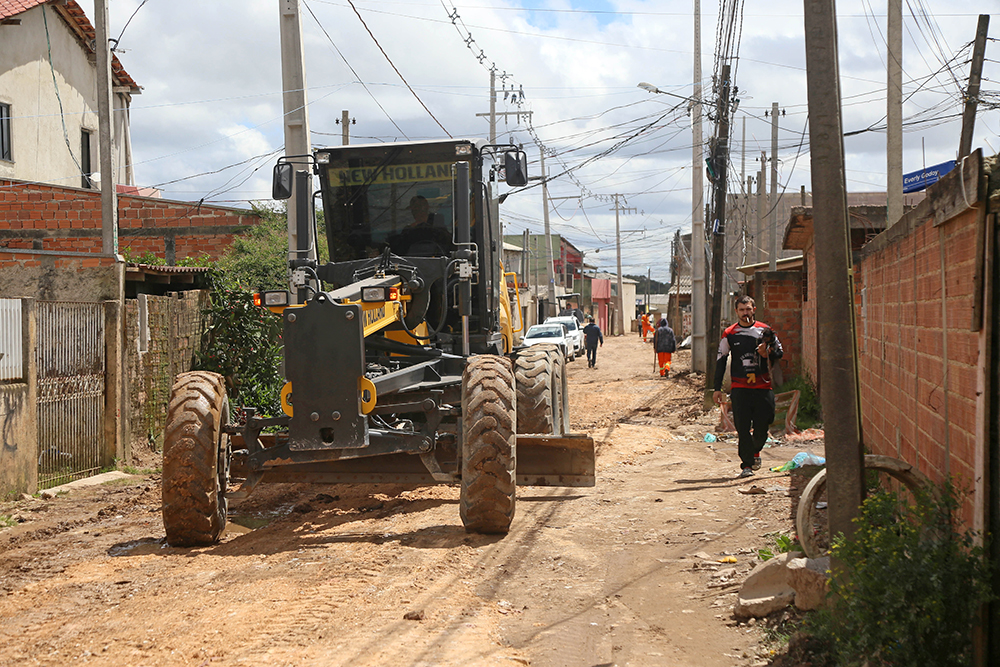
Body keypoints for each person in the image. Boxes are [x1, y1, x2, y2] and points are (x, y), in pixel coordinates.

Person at [712, 295, 784, 478]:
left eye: (748, 309)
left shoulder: (765, 331)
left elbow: (780, 352)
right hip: (740, 388)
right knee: (742, 427)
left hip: (763, 387)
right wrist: (717, 388)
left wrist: (767, 352)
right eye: (742, 310)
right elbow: (721, 360)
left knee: (763, 425)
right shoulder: (729, 333)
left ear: (754, 309)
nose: (746, 313)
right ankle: (747, 465)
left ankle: (755, 450)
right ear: (736, 312)